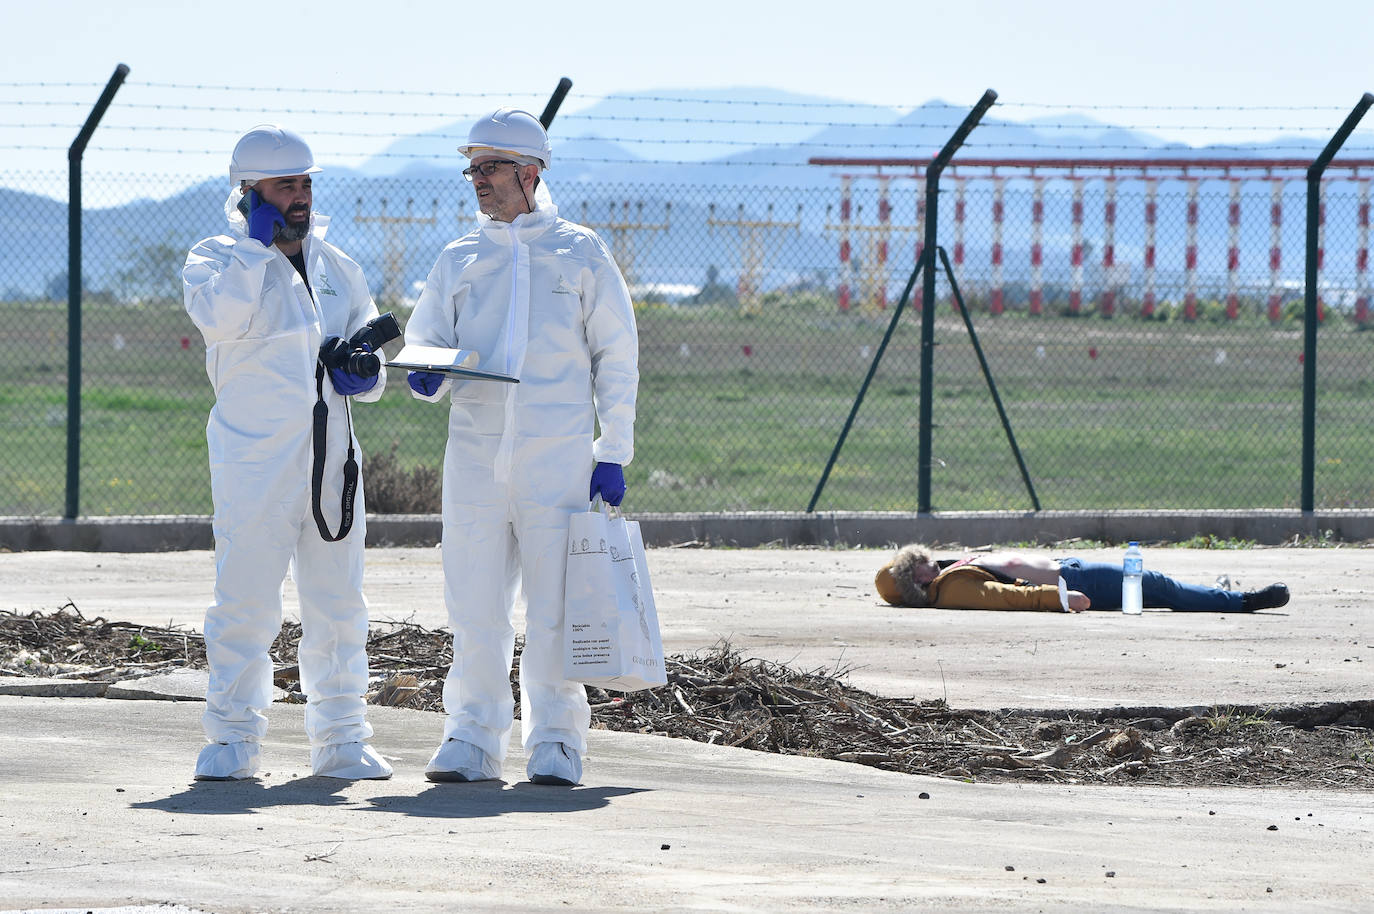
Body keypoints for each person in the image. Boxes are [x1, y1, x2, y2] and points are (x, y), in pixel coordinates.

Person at [405, 108, 639, 786]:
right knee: (474, 605)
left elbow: (615, 353)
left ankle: (557, 741)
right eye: (471, 168)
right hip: (476, 460)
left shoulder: (581, 252)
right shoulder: (459, 259)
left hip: (558, 460)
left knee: (556, 608)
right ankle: (472, 736)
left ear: (529, 174)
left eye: (489, 168)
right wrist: (426, 375)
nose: (476, 180)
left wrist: (613, 447)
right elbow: (426, 344)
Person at [181, 125, 392, 781]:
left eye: (304, 184)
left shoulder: (338, 267)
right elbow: (220, 320)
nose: (298, 197)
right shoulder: (214, 259)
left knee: (338, 606)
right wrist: (254, 248)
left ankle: (341, 741)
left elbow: (374, 355)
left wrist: (367, 373)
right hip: (255, 466)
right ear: (249, 193)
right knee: (244, 604)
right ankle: (232, 742)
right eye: (283, 186)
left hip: (330, 465)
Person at [875, 544, 1291, 613]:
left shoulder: (947, 574)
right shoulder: (954, 590)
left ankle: (1223, 596)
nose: (928, 563)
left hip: (1069, 569)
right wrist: (1061, 599)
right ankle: (1240, 602)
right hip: (1076, 583)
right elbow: (1005, 597)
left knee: (1160, 587)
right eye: (918, 568)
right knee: (1161, 587)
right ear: (917, 584)